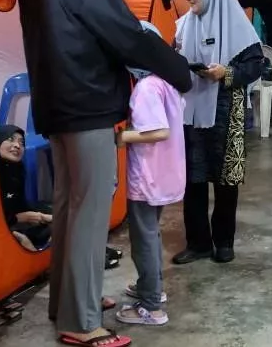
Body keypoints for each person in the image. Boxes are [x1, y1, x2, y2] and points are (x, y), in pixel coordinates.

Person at [18, 0, 196, 347]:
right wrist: (178, 70)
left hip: (55, 113)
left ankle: (67, 302)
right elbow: (129, 38)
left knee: (67, 209)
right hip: (88, 111)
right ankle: (81, 324)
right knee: (89, 216)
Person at [171, 0, 264, 266]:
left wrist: (227, 73)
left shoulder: (240, 28)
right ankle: (197, 242)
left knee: (226, 181)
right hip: (193, 111)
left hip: (228, 111)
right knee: (193, 180)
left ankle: (224, 242)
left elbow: (255, 67)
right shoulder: (184, 25)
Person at [114, 22, 187, 327]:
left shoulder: (145, 88)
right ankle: (150, 287)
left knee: (143, 238)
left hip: (148, 176)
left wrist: (122, 137)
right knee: (151, 234)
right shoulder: (166, 80)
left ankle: (151, 306)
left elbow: (157, 131)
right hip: (165, 173)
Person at [0, 125, 53, 252]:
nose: (17, 145)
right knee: (16, 237)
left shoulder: (17, 170)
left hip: (15, 220)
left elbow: (20, 204)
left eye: (21, 143)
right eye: (11, 139)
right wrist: (20, 218)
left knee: (59, 220)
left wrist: (43, 217)